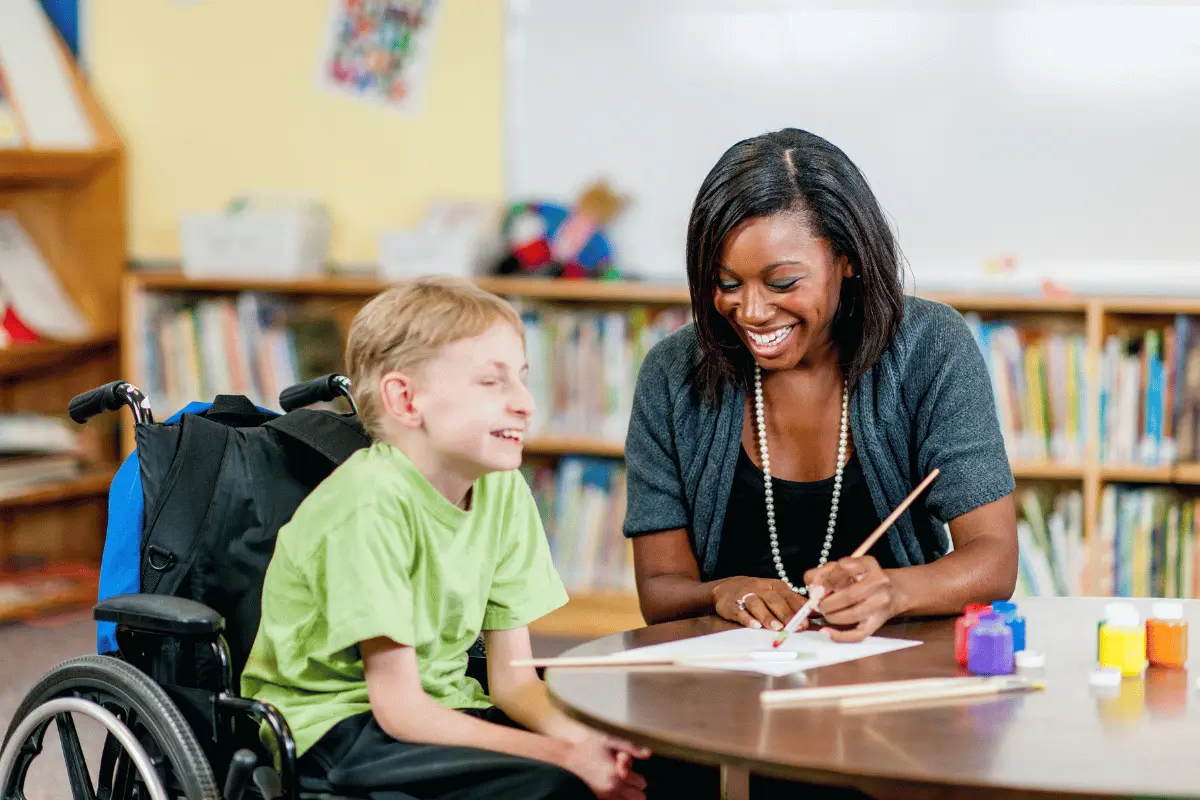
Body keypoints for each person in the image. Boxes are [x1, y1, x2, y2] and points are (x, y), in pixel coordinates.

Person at [622, 128, 1019, 797]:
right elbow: (660, 592)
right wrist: (722, 591)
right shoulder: (673, 375)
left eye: (782, 282)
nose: (750, 311)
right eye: (725, 283)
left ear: (847, 259)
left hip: (894, 709)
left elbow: (993, 559)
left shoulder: (931, 350)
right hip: (726, 715)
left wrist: (896, 590)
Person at [241, 276, 649, 800]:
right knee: (554, 784)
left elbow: (516, 683)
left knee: (641, 760)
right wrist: (565, 755)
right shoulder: (367, 503)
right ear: (406, 399)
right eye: (492, 382)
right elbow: (401, 711)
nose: (525, 402)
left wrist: (588, 741)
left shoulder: (503, 491)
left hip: (444, 704)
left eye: (522, 379)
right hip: (336, 725)